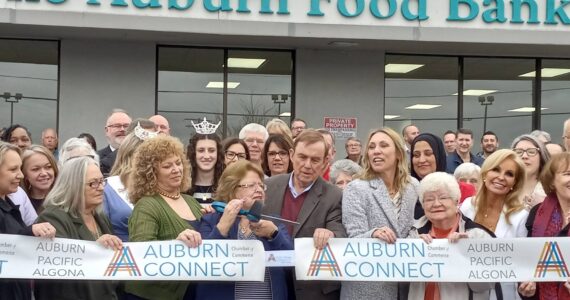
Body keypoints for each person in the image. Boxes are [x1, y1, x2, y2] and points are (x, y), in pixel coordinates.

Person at [264, 130, 346, 300]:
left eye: (315, 160)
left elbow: (339, 232)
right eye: (302, 157)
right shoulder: (268, 186)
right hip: (273, 281)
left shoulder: (334, 195)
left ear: (325, 163)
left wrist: (330, 234)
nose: (307, 165)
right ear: (292, 155)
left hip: (312, 289)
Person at [196, 160, 293, 300]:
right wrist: (223, 226)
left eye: (261, 185)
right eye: (251, 185)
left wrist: (274, 234)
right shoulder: (211, 220)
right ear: (232, 189)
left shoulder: (273, 222)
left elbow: (290, 262)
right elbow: (203, 264)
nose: (259, 189)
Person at [341, 127, 419, 300]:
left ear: (398, 153)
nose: (376, 151)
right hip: (367, 289)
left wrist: (416, 237)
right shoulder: (356, 188)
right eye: (372, 147)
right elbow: (353, 239)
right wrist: (373, 233)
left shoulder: (413, 186)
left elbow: (417, 224)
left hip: (405, 286)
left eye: (383, 145)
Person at [125, 135, 203, 300]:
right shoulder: (147, 205)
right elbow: (141, 251)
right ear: (151, 173)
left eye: (178, 163)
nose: (176, 169)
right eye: (167, 166)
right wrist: (175, 244)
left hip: (190, 291)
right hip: (152, 294)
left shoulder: (191, 201)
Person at [35, 156, 122, 300]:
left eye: (102, 181)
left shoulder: (100, 217)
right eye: (93, 183)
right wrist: (95, 249)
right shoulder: (53, 217)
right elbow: (61, 271)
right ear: (74, 185)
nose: (101, 188)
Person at [408, 172, 495, 300]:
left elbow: (485, 285)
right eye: (429, 199)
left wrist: (465, 253)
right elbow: (402, 279)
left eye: (443, 198)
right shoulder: (414, 234)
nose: (436, 204)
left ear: (456, 201)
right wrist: (413, 251)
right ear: (423, 205)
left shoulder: (477, 235)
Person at [460, 149, 528, 300]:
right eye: (496, 169)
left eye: (509, 174)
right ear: (485, 174)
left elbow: (523, 260)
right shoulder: (466, 206)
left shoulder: (520, 216)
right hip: (466, 290)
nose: (501, 177)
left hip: (504, 293)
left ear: (515, 183)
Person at [0, 142, 56, 300]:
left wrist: (32, 232)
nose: (21, 175)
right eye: (13, 169)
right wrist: (30, 231)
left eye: (20, 168)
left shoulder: (9, 204)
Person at [522, 152, 570, 299]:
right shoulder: (537, 213)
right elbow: (529, 264)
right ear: (552, 181)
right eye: (568, 173)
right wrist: (528, 290)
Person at [103, 123, 158, 241]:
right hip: (119, 255)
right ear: (131, 155)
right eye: (148, 157)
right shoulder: (107, 188)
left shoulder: (159, 188)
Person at [410, 133, 447, 219]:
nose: (421, 160)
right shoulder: (405, 192)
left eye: (428, 153)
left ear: (438, 156)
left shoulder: (452, 189)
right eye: (416, 155)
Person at [512, 134, 549, 210]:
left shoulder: (552, 190)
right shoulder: (504, 188)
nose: (524, 156)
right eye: (519, 152)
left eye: (531, 152)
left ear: (541, 157)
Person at [187, 133, 224, 204]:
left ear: (218, 153)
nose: (206, 156)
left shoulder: (226, 186)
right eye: (201, 150)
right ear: (193, 153)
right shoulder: (182, 188)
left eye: (211, 150)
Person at [20, 145, 59, 213]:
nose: (43, 173)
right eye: (36, 169)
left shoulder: (65, 200)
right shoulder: (21, 203)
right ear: (24, 174)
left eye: (48, 167)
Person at [97, 109, 132, 176]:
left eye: (126, 126)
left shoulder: (140, 157)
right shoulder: (97, 159)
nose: (122, 129)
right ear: (107, 130)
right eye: (117, 126)